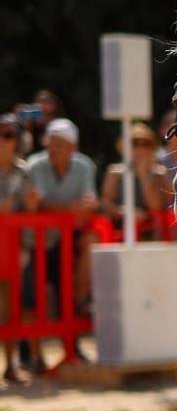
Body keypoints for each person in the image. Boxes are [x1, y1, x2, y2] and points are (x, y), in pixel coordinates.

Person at [23, 116, 99, 363]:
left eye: (58, 144)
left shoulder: (84, 165)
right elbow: (41, 204)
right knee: (30, 297)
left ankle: (72, 346)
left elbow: (87, 208)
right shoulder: (34, 165)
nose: (52, 148)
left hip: (68, 241)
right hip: (38, 243)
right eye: (50, 143)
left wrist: (60, 209)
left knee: (71, 290)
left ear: (72, 147)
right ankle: (31, 356)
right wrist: (71, 209)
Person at [101, 121, 172, 233]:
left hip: (154, 230)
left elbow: (156, 207)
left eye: (146, 144)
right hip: (120, 228)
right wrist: (127, 213)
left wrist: (144, 175)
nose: (140, 149)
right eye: (134, 144)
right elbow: (105, 204)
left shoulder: (160, 173)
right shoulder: (115, 172)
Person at [0, 114, 30, 383]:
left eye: (8, 135)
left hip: (11, 248)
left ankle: (11, 365)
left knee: (11, 308)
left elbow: (30, 212)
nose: (2, 140)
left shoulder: (23, 171)